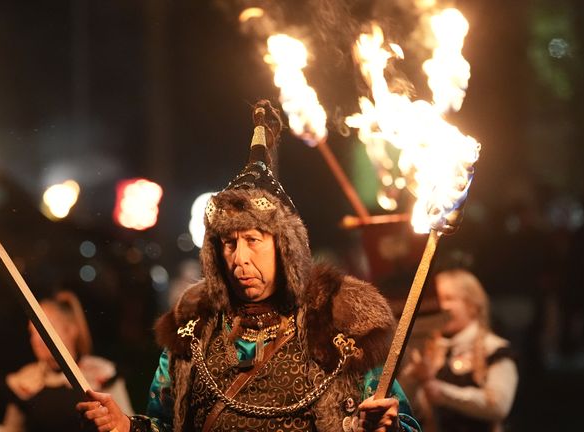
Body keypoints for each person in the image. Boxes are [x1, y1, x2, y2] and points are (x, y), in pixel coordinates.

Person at [77, 100, 421, 432]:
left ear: (284, 247)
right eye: (229, 243)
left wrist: (389, 428)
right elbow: (165, 425)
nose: (239, 257)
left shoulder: (342, 328)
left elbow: (397, 420)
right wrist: (126, 426)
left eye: (253, 240)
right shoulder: (194, 332)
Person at [0, 290, 133, 432]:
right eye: (32, 332)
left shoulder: (102, 374)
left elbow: (127, 425)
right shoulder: (26, 382)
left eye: (44, 329)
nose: (36, 339)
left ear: (71, 331)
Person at [399, 269, 518, 432]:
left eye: (448, 299)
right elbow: (410, 408)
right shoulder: (430, 349)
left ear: (472, 305)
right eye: (437, 300)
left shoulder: (494, 349)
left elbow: (498, 406)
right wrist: (414, 379)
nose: (440, 307)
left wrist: (443, 393)